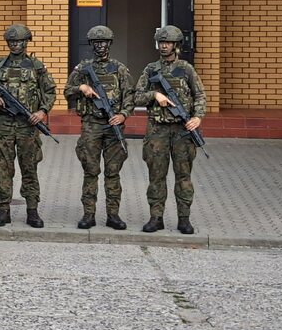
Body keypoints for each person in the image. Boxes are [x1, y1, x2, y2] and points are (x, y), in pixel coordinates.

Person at [0, 24, 56, 228]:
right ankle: (3, 211)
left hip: (28, 127)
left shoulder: (37, 66)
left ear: (26, 42)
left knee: (29, 168)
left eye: (19, 41)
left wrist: (42, 112)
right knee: (2, 168)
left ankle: (32, 211)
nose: (15, 45)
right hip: (3, 125)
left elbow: (50, 91)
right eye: (12, 42)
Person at [134, 25, 206, 235]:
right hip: (158, 130)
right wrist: (154, 96)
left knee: (183, 177)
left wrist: (197, 117)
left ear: (176, 45)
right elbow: (136, 96)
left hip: (182, 132)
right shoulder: (151, 70)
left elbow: (200, 95)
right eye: (161, 42)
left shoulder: (186, 69)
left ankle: (184, 219)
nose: (164, 46)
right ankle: (156, 218)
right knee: (156, 176)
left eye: (168, 43)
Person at [63, 25, 133, 231]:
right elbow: (67, 91)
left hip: (113, 127)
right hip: (91, 125)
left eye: (104, 42)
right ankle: (89, 214)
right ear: (91, 44)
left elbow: (130, 95)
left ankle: (113, 215)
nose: (100, 46)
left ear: (109, 44)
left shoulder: (119, 69)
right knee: (90, 171)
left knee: (113, 173)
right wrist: (81, 88)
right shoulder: (83, 69)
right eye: (96, 42)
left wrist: (123, 115)